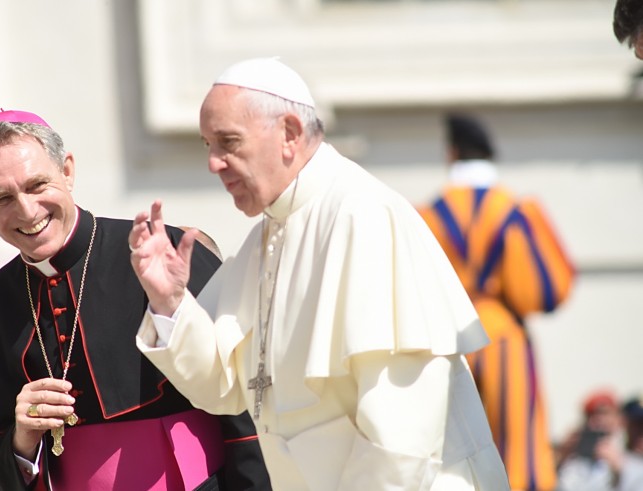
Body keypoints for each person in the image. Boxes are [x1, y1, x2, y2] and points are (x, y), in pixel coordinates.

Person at [129, 57, 511, 490]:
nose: (214, 163)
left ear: (289, 134)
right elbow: (224, 385)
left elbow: (401, 431)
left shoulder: (363, 215)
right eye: (207, 146)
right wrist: (171, 302)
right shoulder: (264, 238)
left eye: (228, 142)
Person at [0, 110, 271, 490]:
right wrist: (23, 437)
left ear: (67, 171)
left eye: (37, 185)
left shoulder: (160, 253)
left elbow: (244, 400)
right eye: (2, 197)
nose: (27, 210)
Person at [417, 112, 575, 491]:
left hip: (449, 342)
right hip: (504, 337)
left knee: (451, 452)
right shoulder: (515, 211)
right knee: (519, 449)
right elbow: (548, 291)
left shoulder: (428, 215)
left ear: (451, 153)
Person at [556, 394, 643, 491]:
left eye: (605, 413)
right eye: (592, 415)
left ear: (619, 419)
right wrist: (561, 458)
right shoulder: (574, 457)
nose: (599, 420)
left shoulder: (630, 458)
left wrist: (621, 470)